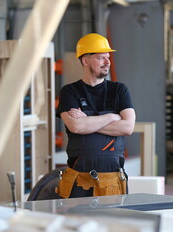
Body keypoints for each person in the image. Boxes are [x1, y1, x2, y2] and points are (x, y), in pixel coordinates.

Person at [55, 33, 136, 198]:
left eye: (108, 57)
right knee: (76, 223)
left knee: (111, 223)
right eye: (101, 58)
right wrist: (113, 117)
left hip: (113, 182)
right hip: (78, 181)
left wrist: (87, 121)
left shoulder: (119, 90)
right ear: (85, 60)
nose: (108, 62)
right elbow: (76, 126)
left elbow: (128, 127)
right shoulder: (70, 91)